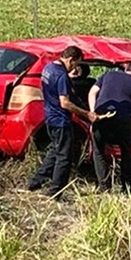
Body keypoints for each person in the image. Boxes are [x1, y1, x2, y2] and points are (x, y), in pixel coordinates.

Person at [27, 46, 94, 198]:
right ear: (71, 59)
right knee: (64, 157)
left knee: (54, 151)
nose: (75, 68)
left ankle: (35, 182)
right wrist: (86, 114)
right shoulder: (62, 76)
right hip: (61, 120)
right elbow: (65, 102)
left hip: (49, 117)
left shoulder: (48, 68)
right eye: (76, 64)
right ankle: (55, 191)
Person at [87, 62, 131, 193]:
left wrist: (93, 113)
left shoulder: (108, 74)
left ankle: (104, 186)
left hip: (101, 117)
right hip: (122, 120)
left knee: (98, 151)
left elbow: (92, 92)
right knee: (126, 152)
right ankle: (128, 188)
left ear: (126, 69)